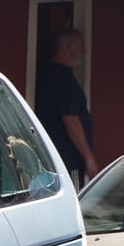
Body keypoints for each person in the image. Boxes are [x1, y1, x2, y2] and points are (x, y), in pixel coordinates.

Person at [33, 28, 97, 186]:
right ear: (69, 48)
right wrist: (89, 158)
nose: (84, 51)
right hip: (68, 160)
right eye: (80, 46)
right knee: (73, 198)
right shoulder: (64, 79)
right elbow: (70, 119)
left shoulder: (44, 73)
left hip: (49, 157)